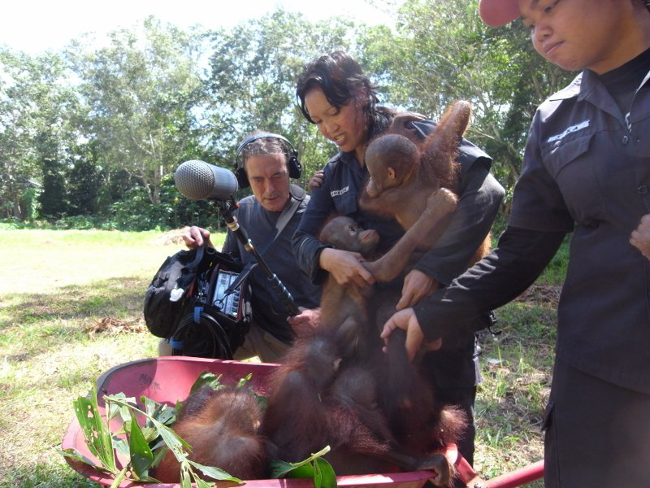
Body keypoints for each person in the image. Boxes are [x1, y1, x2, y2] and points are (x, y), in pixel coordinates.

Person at [381, 1, 650, 486]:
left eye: (547, 7)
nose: (539, 33)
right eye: (529, 23)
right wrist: (432, 312)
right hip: (595, 375)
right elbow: (522, 249)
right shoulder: (555, 118)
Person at [292, 51, 506, 467]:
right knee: (390, 425)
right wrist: (327, 255)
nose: (328, 128)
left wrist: (434, 268)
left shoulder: (408, 135)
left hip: (441, 310)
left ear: (359, 94)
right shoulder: (336, 172)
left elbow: (488, 192)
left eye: (333, 113)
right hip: (378, 328)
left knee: (447, 428)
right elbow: (300, 240)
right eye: (317, 121)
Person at [175, 132, 321, 363]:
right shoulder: (241, 211)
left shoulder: (317, 214)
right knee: (177, 348)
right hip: (252, 325)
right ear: (245, 180)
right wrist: (204, 246)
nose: (270, 189)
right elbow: (230, 268)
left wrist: (322, 316)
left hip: (299, 339)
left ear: (291, 171)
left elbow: (354, 286)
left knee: (291, 396)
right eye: (258, 180)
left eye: (278, 176)